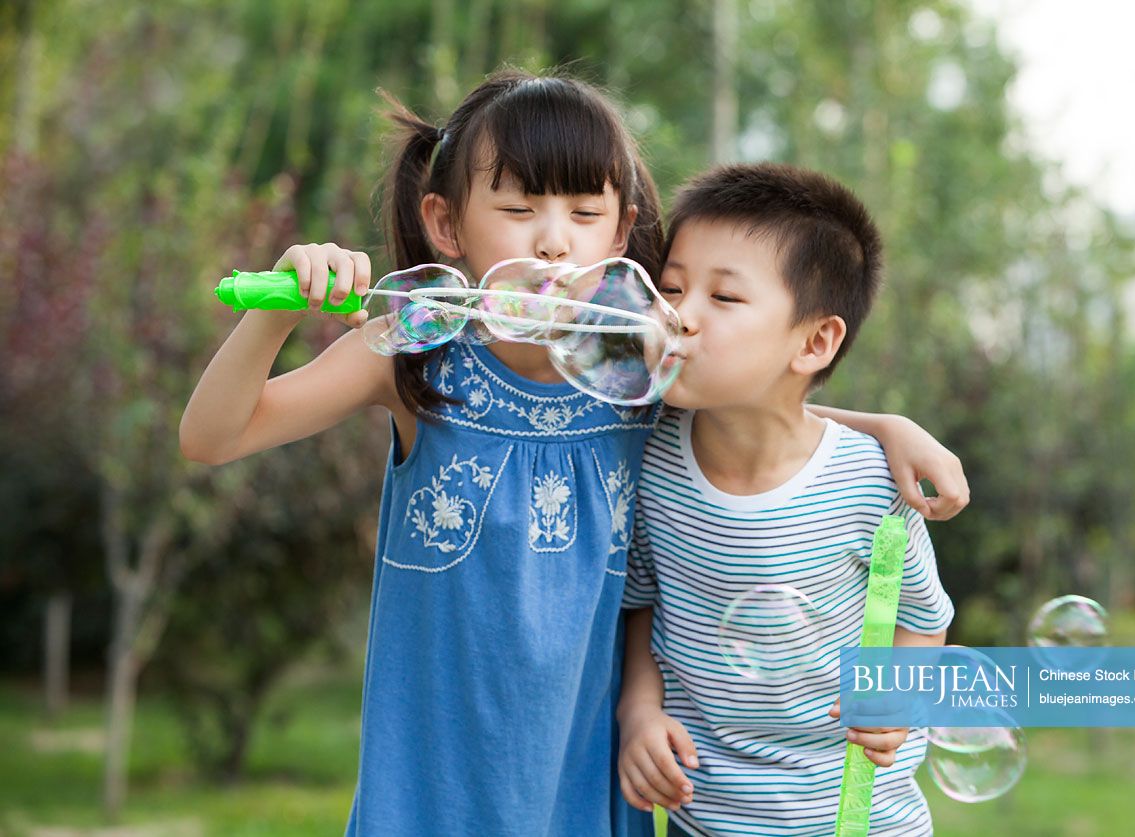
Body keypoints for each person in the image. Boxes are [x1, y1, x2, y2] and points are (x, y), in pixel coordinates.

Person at [180, 70, 966, 835]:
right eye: (518, 207)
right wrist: (276, 314)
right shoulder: (415, 362)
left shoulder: (633, 373)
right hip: (429, 790)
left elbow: (754, 395)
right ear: (445, 224)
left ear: (622, 232)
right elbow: (212, 436)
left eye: (586, 211)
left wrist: (880, 426)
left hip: (582, 786)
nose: (553, 242)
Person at [618, 163, 955, 836]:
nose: (679, 315)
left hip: (859, 819)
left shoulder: (869, 484)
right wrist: (638, 711)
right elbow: (641, 603)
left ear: (815, 341)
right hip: (705, 819)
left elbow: (923, 615)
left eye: (725, 298)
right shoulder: (650, 460)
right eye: (674, 287)